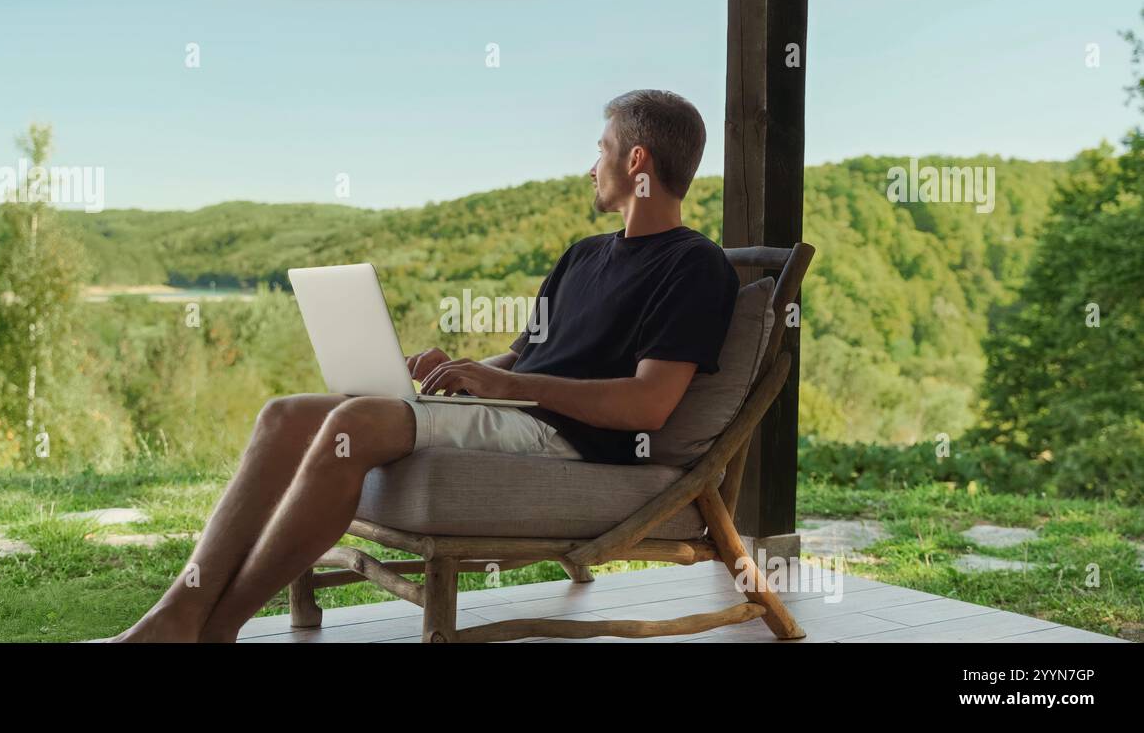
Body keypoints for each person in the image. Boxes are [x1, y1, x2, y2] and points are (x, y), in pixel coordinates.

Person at [109, 89, 738, 642]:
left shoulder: (694, 266)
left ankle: (216, 628)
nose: (590, 165)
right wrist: (464, 371)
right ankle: (176, 612)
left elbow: (647, 405)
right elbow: (524, 356)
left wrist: (507, 385)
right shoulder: (584, 256)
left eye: (600, 148)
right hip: (518, 409)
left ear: (635, 162)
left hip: (574, 438)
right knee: (283, 415)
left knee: (356, 425)